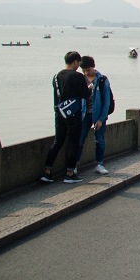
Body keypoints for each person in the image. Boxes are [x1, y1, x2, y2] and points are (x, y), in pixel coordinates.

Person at [40, 51, 91, 183]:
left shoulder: (56, 76)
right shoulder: (77, 76)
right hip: (73, 114)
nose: (79, 66)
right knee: (73, 142)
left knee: (58, 142)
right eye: (79, 63)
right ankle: (69, 173)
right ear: (75, 62)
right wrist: (89, 87)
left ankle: (47, 172)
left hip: (59, 113)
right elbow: (85, 94)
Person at [76, 55, 110, 175]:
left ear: (94, 67)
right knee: (79, 140)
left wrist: (101, 119)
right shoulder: (80, 79)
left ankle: (99, 164)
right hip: (83, 115)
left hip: (97, 115)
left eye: (88, 70)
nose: (86, 72)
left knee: (99, 141)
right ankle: (75, 165)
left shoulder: (102, 80)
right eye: (83, 70)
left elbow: (107, 101)